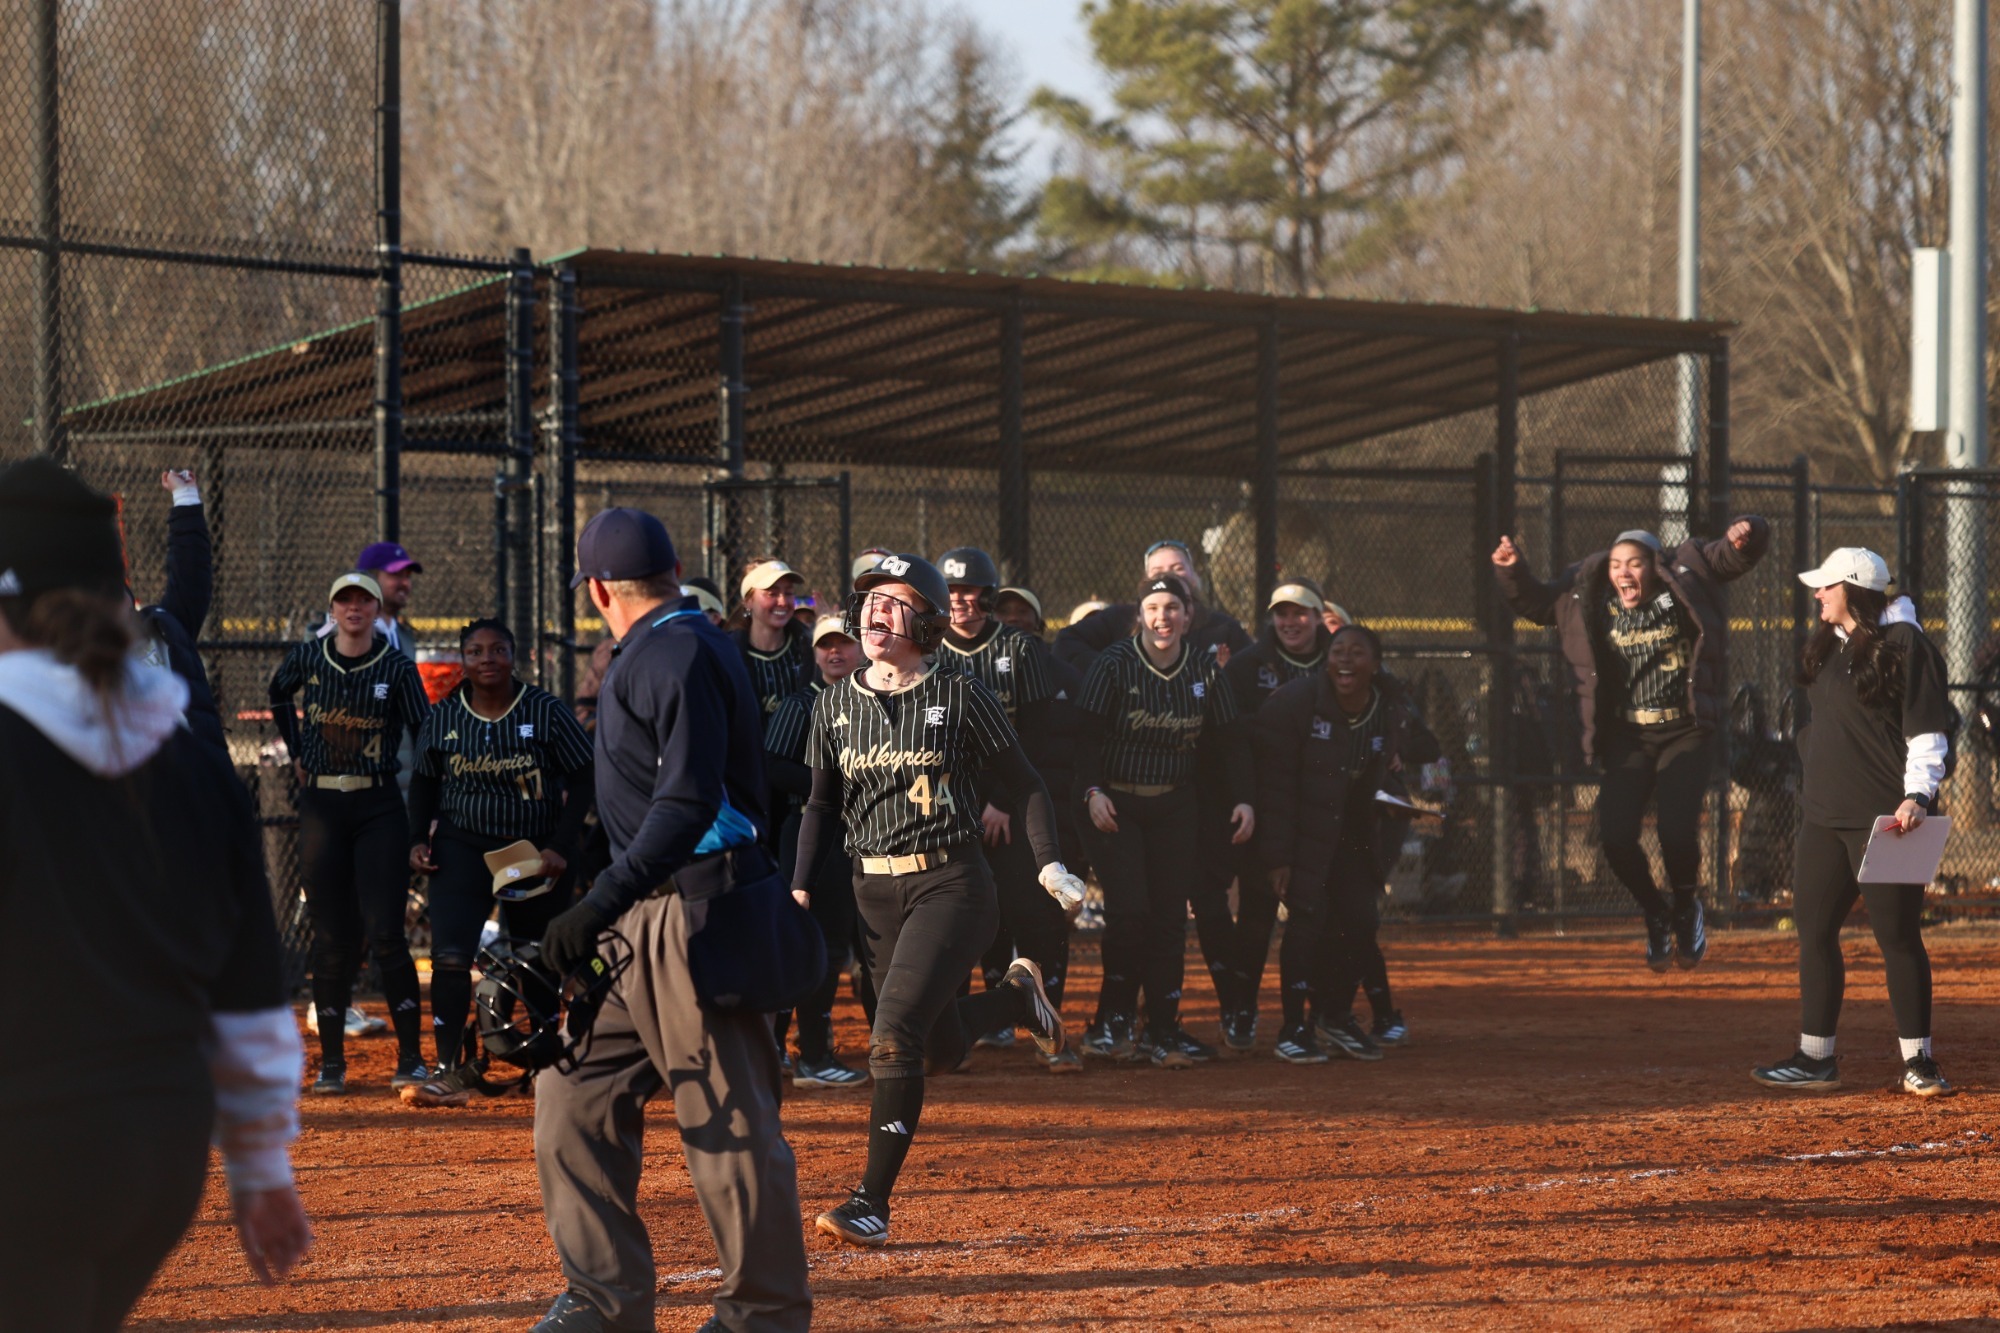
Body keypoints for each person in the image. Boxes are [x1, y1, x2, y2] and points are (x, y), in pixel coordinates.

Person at [0, 457, 311, 1329]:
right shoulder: (185, 759)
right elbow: (250, 983)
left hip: (27, 1148)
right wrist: (256, 1165)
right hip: (160, 1147)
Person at [529, 507, 811, 1333]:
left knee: (727, 1125)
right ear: (674, 568)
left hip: (697, 912)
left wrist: (598, 900)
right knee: (572, 1091)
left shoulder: (680, 649)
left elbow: (688, 802)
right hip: (641, 916)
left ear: (594, 589)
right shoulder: (659, 647)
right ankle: (602, 1297)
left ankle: (763, 1314)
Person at [795, 554, 1083, 1248]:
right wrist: (799, 884)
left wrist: (1050, 864)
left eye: (892, 602)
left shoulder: (960, 693)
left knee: (892, 1034)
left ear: (925, 620)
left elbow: (1028, 781)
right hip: (872, 892)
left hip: (952, 882)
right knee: (936, 1049)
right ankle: (1018, 999)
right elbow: (818, 804)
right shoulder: (834, 702)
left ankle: (871, 1201)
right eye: (867, 601)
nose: (873, 612)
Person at [1492, 516, 1769, 970]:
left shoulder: (1689, 571)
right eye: (1618, 563)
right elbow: (1537, 603)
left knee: (1676, 831)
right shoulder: (1588, 589)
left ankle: (1685, 907)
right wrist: (1512, 570)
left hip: (1685, 730)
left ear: (1655, 566)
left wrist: (1747, 534)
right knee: (1615, 835)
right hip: (1629, 736)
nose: (1623, 572)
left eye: (1635, 564)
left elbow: (1731, 555)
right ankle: (1656, 913)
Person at [1753, 549, 1953, 1096]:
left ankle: (1920, 1061)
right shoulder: (1828, 646)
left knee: (1898, 937)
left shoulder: (1905, 644)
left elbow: (1927, 731)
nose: (1817, 594)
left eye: (1827, 586)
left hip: (1888, 819)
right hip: (1823, 816)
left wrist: (1917, 795)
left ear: (1856, 590)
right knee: (1814, 932)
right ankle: (1816, 1057)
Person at [1057, 541, 1254, 1024]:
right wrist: (1092, 790)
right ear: (1139, 615)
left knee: (1169, 920)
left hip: (1175, 806)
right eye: (1152, 609)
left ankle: (1164, 1027)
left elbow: (1232, 741)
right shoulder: (1114, 663)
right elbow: (1086, 739)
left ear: (1189, 616)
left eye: (1172, 608)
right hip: (1116, 804)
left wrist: (1246, 798)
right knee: (1129, 914)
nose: (1162, 617)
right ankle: (1112, 1021)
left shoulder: (1208, 669)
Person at [403, 618, 597, 1108]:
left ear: (515, 656)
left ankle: (543, 1066)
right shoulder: (444, 716)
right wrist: (416, 839)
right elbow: (425, 781)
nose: (486, 658)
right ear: (463, 660)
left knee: (537, 956)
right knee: (449, 957)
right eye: (475, 651)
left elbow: (585, 776)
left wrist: (559, 846)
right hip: (462, 847)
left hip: (535, 850)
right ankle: (449, 1071)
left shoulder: (545, 710)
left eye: (497, 649)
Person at [270, 572, 431, 1094]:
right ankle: (332, 1062)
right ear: (333, 609)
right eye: (345, 600)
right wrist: (297, 749)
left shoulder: (395, 666)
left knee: (386, 933)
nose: (354, 608)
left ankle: (411, 1058)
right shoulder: (311, 656)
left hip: (378, 802)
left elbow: (423, 732)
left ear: (377, 609)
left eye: (365, 600)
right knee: (331, 938)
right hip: (322, 803)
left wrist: (425, 807)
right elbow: (278, 691)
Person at [1254, 624, 1441, 1063]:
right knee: (1306, 922)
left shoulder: (1388, 706)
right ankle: (1292, 1028)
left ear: (1375, 665)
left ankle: (1334, 1015)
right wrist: (1277, 856)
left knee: (1361, 922)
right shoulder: (1296, 703)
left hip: (1354, 831)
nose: (1344, 659)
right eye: (1337, 650)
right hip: (1302, 830)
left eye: (1357, 653)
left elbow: (1394, 760)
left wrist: (1389, 804)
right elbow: (1275, 788)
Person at [937, 547, 1079, 1073]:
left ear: (990, 597)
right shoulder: (929, 651)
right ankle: (959, 1033)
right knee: (956, 919)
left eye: (972, 593)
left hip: (1014, 804)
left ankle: (1048, 1022)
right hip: (952, 806)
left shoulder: (1019, 648)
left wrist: (999, 800)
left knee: (1034, 913)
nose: (962, 603)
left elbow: (1038, 735)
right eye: (951, 593)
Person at [1215, 580, 1336, 1051]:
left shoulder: (1337, 662)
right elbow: (1227, 733)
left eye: (1300, 613)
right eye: (1282, 614)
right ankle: (1242, 1007)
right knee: (1258, 917)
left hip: (1321, 808)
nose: (1290, 622)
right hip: (1266, 804)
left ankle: (1319, 1013)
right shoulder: (1248, 667)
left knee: (1317, 915)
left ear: (1318, 617)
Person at [764, 615, 872, 1089]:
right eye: (825, 644)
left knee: (843, 946)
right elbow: (772, 767)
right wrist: (832, 786)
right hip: (808, 832)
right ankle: (805, 1054)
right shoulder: (803, 703)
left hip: (861, 834)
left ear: (863, 648)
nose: (834, 652)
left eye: (844, 643)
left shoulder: (875, 702)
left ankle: (795, 1051)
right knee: (815, 945)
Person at [133, 467, 225, 753]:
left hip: (191, 776)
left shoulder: (162, 630)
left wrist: (184, 496)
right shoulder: (76, 653)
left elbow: (190, 575)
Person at [734, 557, 811, 718]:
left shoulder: (807, 649)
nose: (782, 602)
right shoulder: (728, 653)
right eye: (772, 594)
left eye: (788, 593)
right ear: (748, 601)